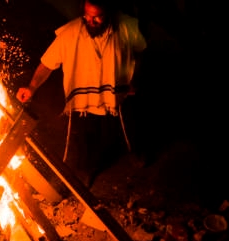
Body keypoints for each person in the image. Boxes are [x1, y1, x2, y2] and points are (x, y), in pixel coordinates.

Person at [16, 0, 147, 188]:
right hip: (84, 102)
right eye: (87, 16)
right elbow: (46, 64)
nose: (90, 21)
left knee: (130, 130)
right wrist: (31, 87)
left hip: (118, 95)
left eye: (97, 17)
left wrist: (136, 78)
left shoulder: (126, 27)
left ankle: (136, 154)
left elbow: (140, 50)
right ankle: (81, 173)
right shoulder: (70, 34)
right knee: (82, 146)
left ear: (109, 13)